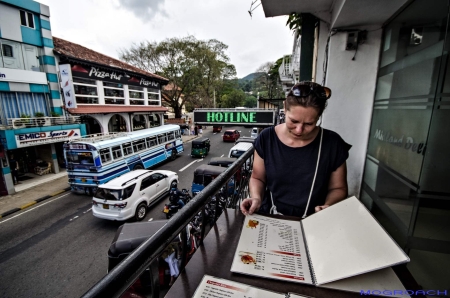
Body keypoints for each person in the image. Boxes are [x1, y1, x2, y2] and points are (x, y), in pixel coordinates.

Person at [240, 81, 351, 219]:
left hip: (314, 221)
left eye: (309, 124)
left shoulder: (333, 143)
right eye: (294, 121)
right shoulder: (266, 138)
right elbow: (257, 178)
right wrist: (256, 198)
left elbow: (338, 188)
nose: (299, 130)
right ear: (285, 107)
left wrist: (327, 205)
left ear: (319, 116)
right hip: (272, 216)